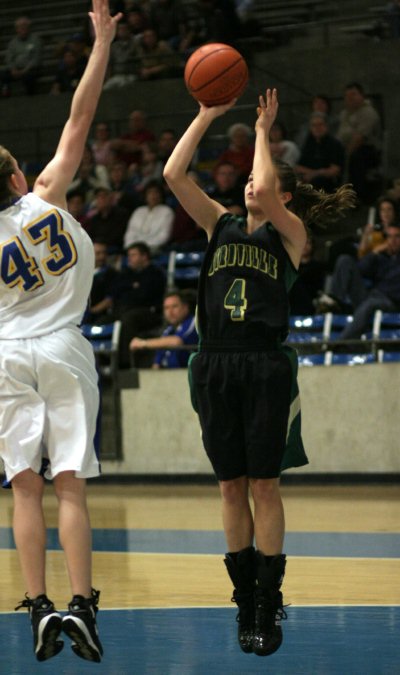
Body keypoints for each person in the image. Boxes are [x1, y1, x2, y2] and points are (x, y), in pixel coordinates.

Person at [163, 88, 356, 656]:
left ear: (286, 196)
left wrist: (265, 131)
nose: (250, 185)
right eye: (247, 178)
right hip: (215, 361)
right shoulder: (218, 225)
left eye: (262, 181)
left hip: (266, 365)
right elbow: (175, 174)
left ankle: (270, 600)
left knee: (264, 484)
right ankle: (244, 599)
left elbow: (267, 188)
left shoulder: (291, 236)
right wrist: (204, 117)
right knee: (229, 485)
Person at [0, 0, 121, 663]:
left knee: (25, 484)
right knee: (68, 479)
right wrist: (101, 42)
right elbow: (80, 116)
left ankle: (38, 607)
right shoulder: (47, 192)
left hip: (6, 354)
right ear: (18, 176)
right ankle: (82, 604)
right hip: (65, 345)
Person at [315, 223, 400, 339]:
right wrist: (374, 253)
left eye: (397, 236)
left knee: (368, 305)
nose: (392, 240)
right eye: (389, 236)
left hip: (392, 301)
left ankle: (339, 344)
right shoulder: (380, 258)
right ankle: (335, 300)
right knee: (344, 259)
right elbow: (360, 269)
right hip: (370, 295)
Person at [111, 241, 167, 367]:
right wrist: (133, 286)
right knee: (103, 320)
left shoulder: (155, 273)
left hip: (149, 312)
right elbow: (115, 291)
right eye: (129, 255)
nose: (129, 258)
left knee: (128, 319)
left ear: (144, 256)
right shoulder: (127, 273)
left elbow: (145, 295)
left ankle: (125, 364)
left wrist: (130, 289)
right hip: (125, 310)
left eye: (133, 255)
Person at [336, 82, 382, 204]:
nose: (350, 98)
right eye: (347, 95)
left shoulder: (368, 113)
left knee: (356, 158)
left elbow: (360, 138)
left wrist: (345, 154)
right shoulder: (344, 114)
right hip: (344, 148)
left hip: (366, 150)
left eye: (353, 94)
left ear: (362, 95)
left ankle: (357, 197)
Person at [129, 289, 198, 367]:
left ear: (185, 308)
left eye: (174, 306)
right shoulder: (168, 330)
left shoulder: (193, 322)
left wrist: (143, 343)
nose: (170, 312)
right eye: (166, 308)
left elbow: (176, 342)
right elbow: (156, 364)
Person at [296, 112, 345, 193]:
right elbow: (298, 167)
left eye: (320, 124)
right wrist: (312, 174)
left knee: (317, 181)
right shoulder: (309, 143)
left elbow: (334, 170)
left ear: (326, 126)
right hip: (309, 179)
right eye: (314, 125)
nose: (317, 128)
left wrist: (314, 174)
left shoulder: (335, 144)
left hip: (329, 182)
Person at [124, 180, 174, 250]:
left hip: (154, 249)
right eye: (150, 192)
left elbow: (164, 236)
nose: (153, 196)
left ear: (161, 194)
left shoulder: (167, 212)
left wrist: (144, 248)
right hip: (134, 249)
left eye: (156, 192)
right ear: (145, 195)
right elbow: (130, 233)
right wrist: (132, 247)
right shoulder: (138, 211)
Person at [1, 16, 43, 96]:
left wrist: (25, 70)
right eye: (20, 28)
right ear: (16, 29)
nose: (22, 30)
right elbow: (9, 58)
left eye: (24, 27)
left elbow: (36, 58)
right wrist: (13, 69)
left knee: (29, 76)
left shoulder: (36, 40)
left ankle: (30, 94)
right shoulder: (12, 43)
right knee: (3, 75)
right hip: (16, 69)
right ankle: (6, 93)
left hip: (30, 69)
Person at [83, 241, 120, 324]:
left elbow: (109, 300)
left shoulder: (111, 274)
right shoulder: (81, 272)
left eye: (104, 253)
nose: (102, 256)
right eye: (98, 253)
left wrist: (91, 312)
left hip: (96, 314)